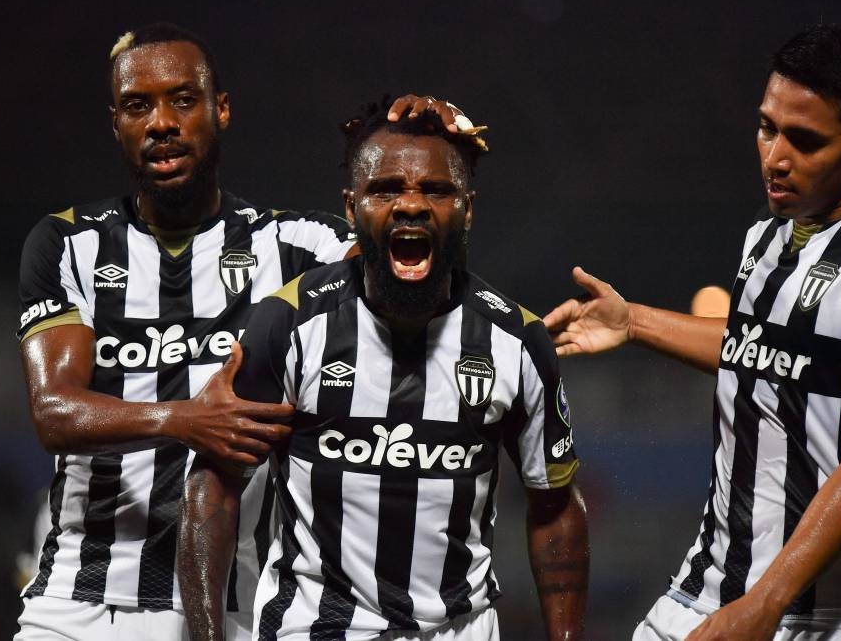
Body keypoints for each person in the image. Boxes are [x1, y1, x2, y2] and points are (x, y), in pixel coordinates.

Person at [15, 22, 462, 641]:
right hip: (78, 606)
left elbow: (414, 263)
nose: (161, 122)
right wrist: (186, 419)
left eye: (182, 99)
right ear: (115, 123)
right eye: (137, 106)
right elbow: (54, 413)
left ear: (220, 110)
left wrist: (429, 151)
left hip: (239, 609)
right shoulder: (67, 243)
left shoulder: (299, 244)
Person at [544, 24, 841, 640]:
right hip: (707, 587)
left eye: (805, 140)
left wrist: (765, 603)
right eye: (768, 127)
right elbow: (760, 349)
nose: (775, 157)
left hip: (830, 612)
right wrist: (634, 320)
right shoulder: (763, 238)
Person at [178, 104, 589, 640]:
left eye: (437, 191)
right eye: (386, 188)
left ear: (467, 209)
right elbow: (213, 483)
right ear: (352, 207)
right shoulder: (289, 323)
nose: (411, 205)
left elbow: (554, 508)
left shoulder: (518, 341)